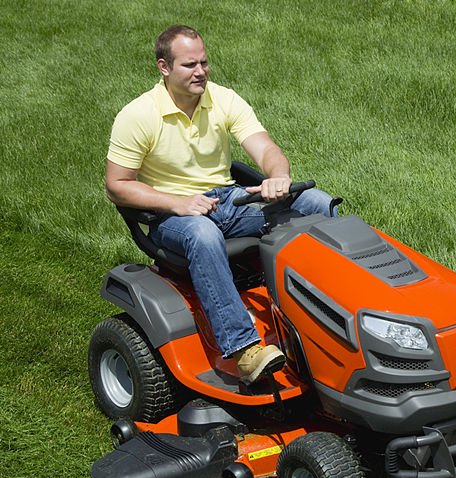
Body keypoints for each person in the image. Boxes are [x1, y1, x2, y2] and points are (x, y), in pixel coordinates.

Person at [105, 25, 335, 385]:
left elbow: (266, 149)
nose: (200, 72)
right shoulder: (138, 115)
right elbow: (117, 185)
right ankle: (244, 349)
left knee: (316, 203)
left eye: (204, 62)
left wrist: (278, 176)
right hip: (172, 216)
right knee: (203, 234)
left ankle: (332, 313)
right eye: (189, 65)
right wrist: (178, 203)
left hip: (227, 199)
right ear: (164, 67)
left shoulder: (222, 99)